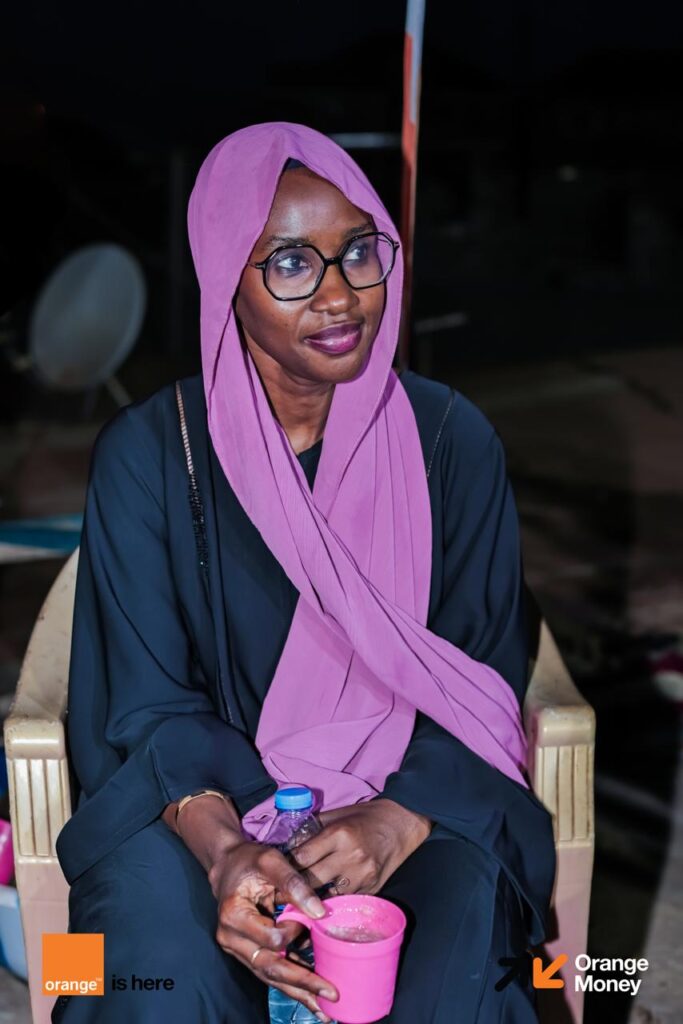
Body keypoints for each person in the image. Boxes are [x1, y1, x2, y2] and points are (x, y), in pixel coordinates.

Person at [53, 123, 555, 1024]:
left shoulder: (450, 440)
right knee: (144, 966)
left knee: (461, 966)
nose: (339, 295)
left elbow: (481, 665)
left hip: (414, 798)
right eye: (291, 263)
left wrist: (396, 818)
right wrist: (225, 851)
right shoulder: (150, 453)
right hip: (190, 809)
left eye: (358, 252)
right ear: (225, 277)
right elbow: (141, 702)